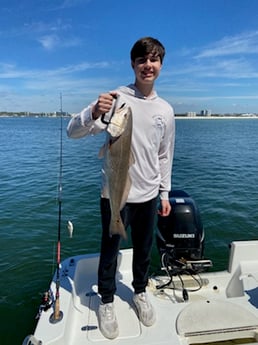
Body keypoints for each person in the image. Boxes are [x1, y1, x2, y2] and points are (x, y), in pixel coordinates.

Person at [67, 37, 175, 339]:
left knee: (143, 248)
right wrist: (93, 112)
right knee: (110, 249)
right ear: (133, 64)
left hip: (149, 194)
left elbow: (165, 154)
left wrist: (164, 192)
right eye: (142, 60)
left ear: (161, 65)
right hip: (114, 194)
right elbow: (72, 132)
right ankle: (106, 299)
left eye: (154, 60)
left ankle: (140, 291)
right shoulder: (116, 99)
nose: (148, 65)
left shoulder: (165, 110)